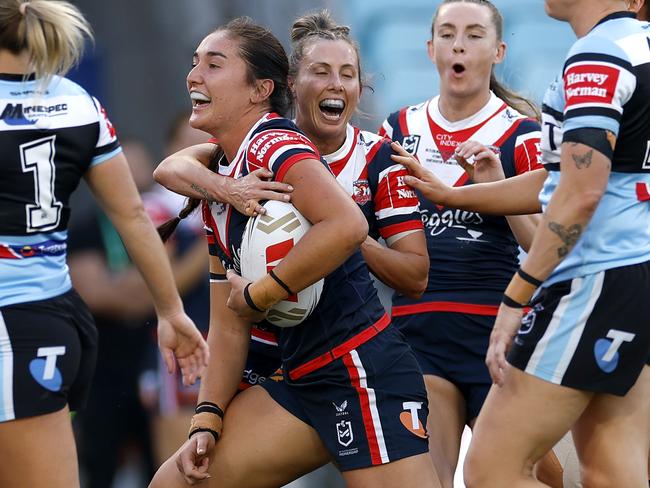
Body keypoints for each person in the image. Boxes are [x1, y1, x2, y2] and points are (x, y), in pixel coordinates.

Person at [149, 17, 439, 488]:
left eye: (213, 64)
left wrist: (264, 292)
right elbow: (228, 320)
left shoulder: (275, 142)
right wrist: (207, 416)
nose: (193, 75)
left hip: (358, 370)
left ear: (260, 89)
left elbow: (347, 224)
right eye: (194, 63)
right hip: (298, 377)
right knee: (175, 482)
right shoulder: (224, 178)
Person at [0, 1, 209, 487]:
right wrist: (171, 311)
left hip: (15, 326)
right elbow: (132, 215)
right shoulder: (77, 101)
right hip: (53, 318)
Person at [450, 0, 649, 486]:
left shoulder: (598, 53)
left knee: (490, 469)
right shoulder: (637, 46)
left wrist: (517, 295)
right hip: (635, 274)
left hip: (595, 278)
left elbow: (580, 192)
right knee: (611, 472)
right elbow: (569, 177)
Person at [376, 1, 544, 486]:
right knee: (430, 477)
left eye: (473, 35)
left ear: (498, 51)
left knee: (512, 475)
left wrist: (495, 186)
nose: (459, 45)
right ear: (430, 50)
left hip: (497, 334)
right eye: (447, 34)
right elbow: (375, 232)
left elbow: (541, 251)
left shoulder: (523, 134)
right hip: (419, 331)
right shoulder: (398, 130)